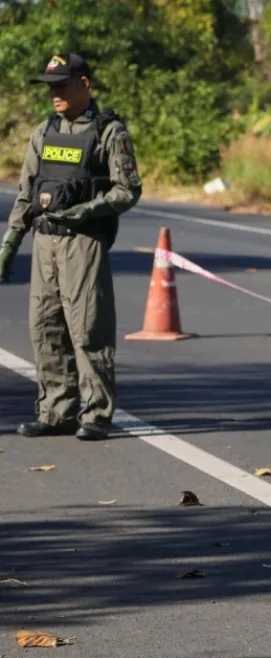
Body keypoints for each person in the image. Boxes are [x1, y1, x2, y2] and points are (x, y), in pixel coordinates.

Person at [0, 53, 142, 441]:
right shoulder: (43, 132)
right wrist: (10, 243)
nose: (54, 93)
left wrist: (85, 211)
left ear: (84, 84)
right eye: (50, 86)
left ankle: (95, 413)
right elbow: (26, 194)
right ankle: (56, 411)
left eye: (62, 84)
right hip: (44, 243)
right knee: (45, 327)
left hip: (83, 242)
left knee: (87, 328)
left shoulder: (109, 131)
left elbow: (128, 190)